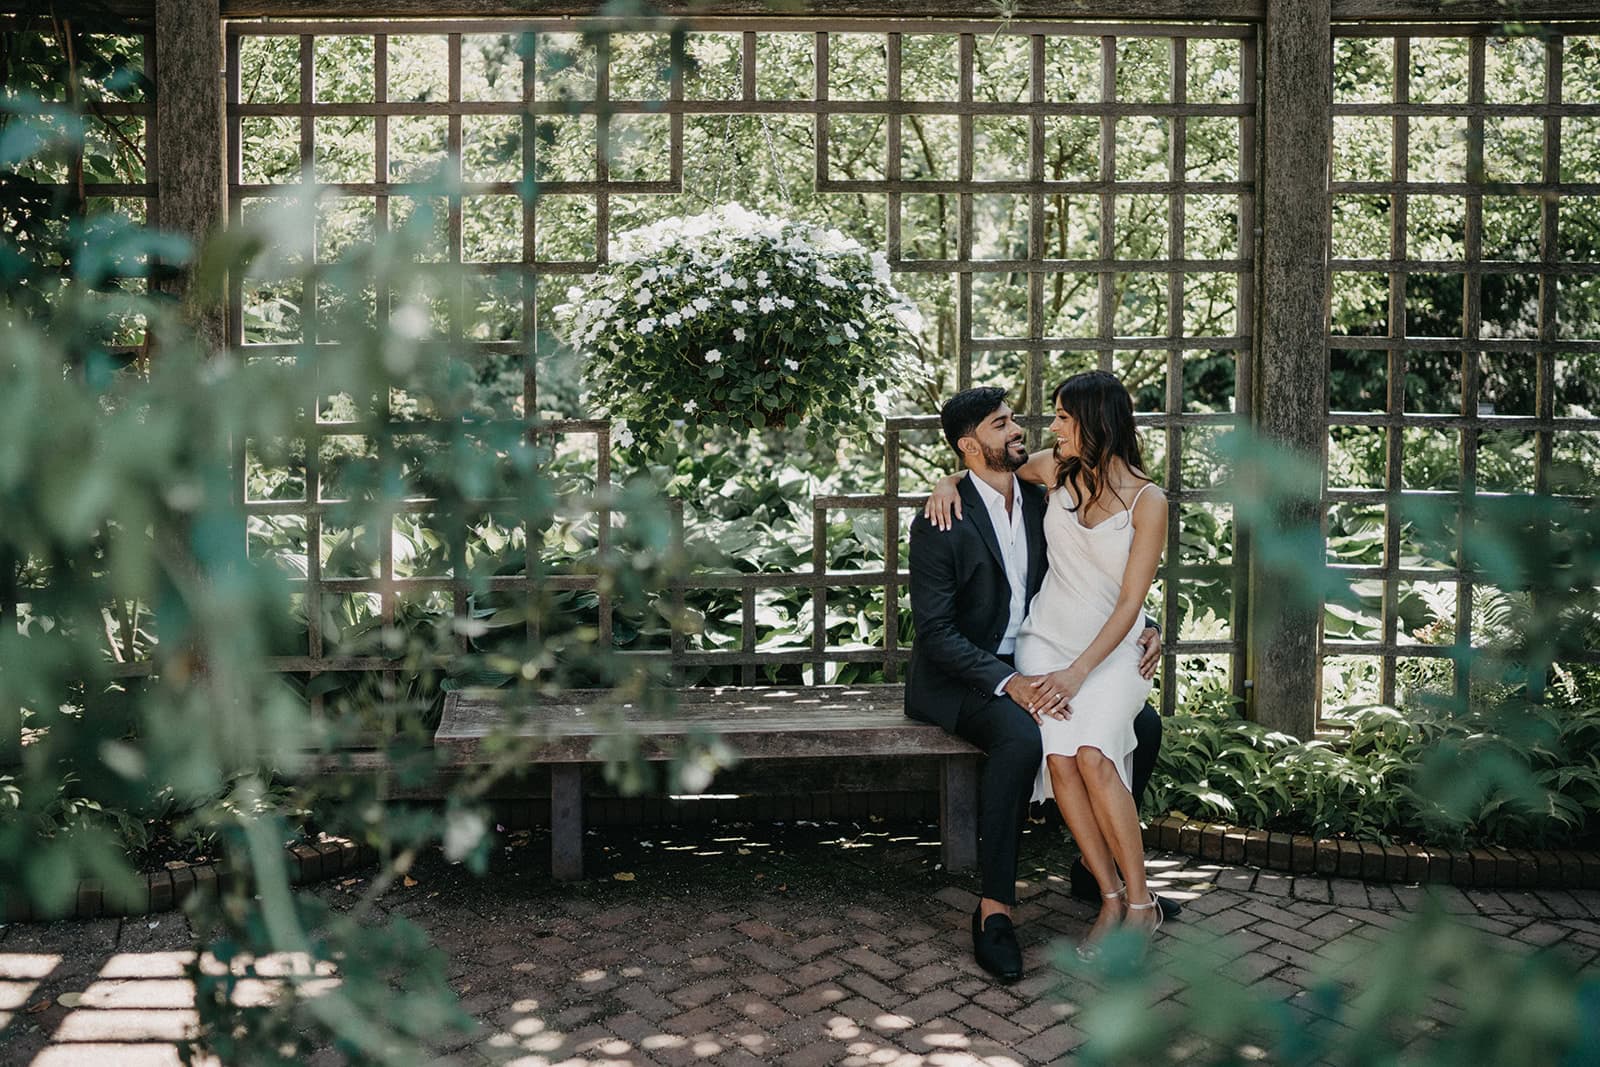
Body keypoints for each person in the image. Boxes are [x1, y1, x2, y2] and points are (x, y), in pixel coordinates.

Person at [905, 382, 1174, 983]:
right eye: (1004, 424)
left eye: (1049, 419)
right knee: (1029, 742)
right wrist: (947, 481)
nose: (1028, 429)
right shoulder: (943, 517)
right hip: (977, 671)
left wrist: (1149, 625)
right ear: (971, 445)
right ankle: (995, 908)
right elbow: (936, 633)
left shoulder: (1043, 488)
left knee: (1144, 727)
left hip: (1066, 655)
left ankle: (1104, 874)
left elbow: (1103, 581)